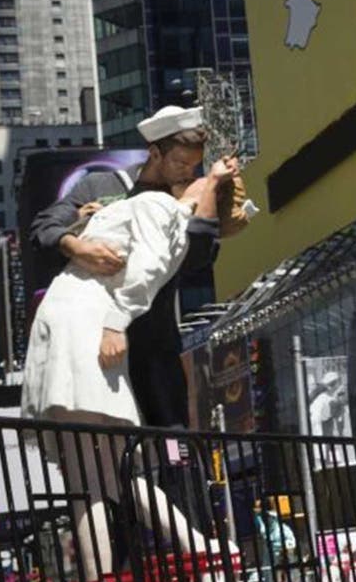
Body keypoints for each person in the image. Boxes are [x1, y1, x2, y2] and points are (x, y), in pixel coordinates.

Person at [22, 162, 238, 582]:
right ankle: (176, 563)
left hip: (112, 344)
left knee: (101, 476)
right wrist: (79, 234)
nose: (193, 170)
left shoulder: (166, 214)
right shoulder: (116, 191)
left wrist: (115, 319)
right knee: (106, 476)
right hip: (92, 336)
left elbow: (151, 274)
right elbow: (46, 226)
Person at [28, 105, 237, 429]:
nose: (187, 173)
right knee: (102, 448)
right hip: (93, 344)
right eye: (181, 163)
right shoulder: (101, 186)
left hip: (154, 348)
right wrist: (77, 246)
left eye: (194, 165)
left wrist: (209, 191)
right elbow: (43, 228)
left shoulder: (191, 199)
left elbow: (199, 258)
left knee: (173, 449)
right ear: (155, 153)